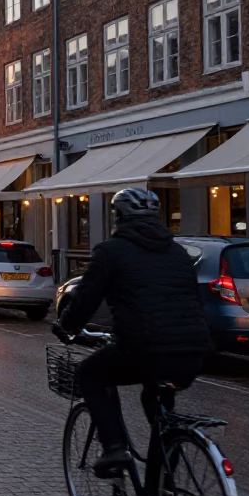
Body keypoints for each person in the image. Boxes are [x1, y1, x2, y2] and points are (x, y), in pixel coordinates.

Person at [58, 187, 211, 477]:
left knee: (88, 374)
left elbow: (85, 298)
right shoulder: (179, 252)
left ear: (119, 217)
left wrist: (66, 326)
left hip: (143, 348)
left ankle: (114, 447)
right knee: (160, 409)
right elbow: (193, 299)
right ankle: (163, 490)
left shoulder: (111, 251)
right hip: (192, 351)